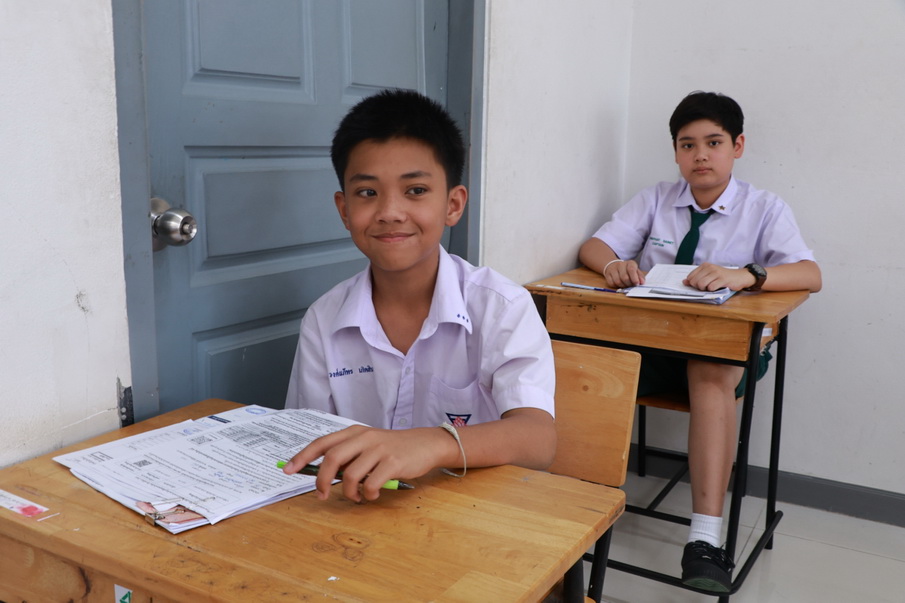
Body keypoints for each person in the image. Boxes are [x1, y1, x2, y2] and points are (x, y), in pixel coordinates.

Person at [578, 91, 821, 592]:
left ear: (738, 146)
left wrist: (747, 275)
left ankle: (705, 540)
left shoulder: (764, 208)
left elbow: (810, 274)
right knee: (585, 362)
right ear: (675, 152)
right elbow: (595, 246)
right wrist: (613, 265)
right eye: (687, 145)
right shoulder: (657, 198)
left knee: (708, 369)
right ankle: (573, 507)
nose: (700, 155)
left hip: (726, 353)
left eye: (714, 142)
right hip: (652, 342)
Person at [283, 89, 557, 504]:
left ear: (453, 205)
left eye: (415, 190)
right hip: (358, 515)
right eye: (367, 193)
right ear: (344, 210)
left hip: (476, 515)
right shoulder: (324, 319)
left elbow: (538, 440)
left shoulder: (501, 307)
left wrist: (435, 443)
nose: (390, 212)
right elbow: (306, 438)